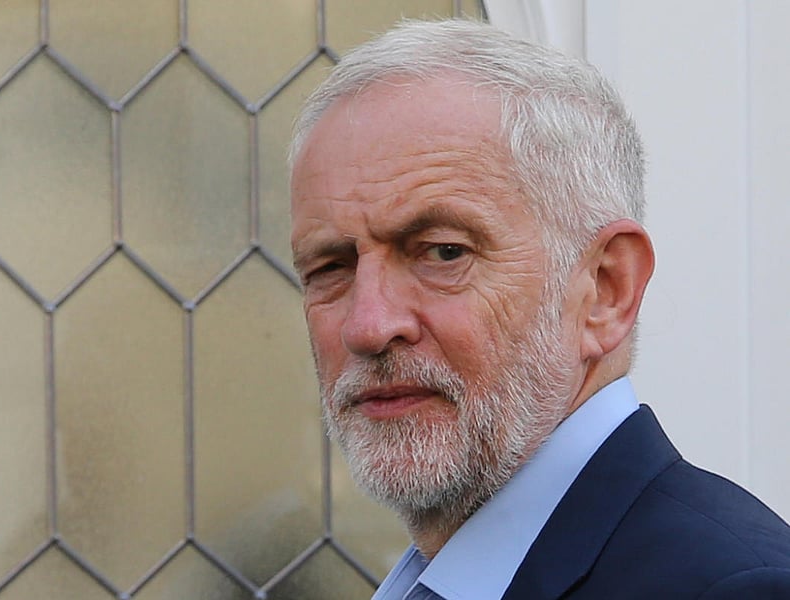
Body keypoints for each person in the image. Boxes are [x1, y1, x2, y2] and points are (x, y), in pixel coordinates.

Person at [288, 18, 790, 600]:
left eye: (444, 253)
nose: (368, 326)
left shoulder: (730, 587)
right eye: (330, 268)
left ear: (606, 290)